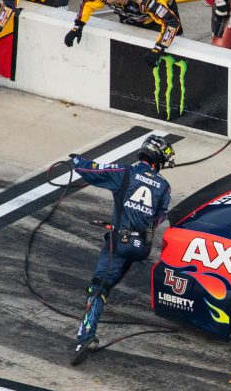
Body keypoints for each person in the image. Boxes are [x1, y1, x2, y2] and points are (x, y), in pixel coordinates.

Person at [69, 135, 174, 366]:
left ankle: (84, 337)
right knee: (110, 281)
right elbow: (158, 218)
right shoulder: (165, 187)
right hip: (141, 248)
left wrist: (76, 161)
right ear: (158, 160)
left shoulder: (126, 172)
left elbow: (93, 171)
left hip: (120, 244)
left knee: (98, 287)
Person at [65, 0, 181, 67]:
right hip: (130, 14)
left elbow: (171, 22)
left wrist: (159, 48)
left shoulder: (146, 0)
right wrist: (78, 26)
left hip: (159, 11)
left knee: (174, 40)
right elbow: (87, 3)